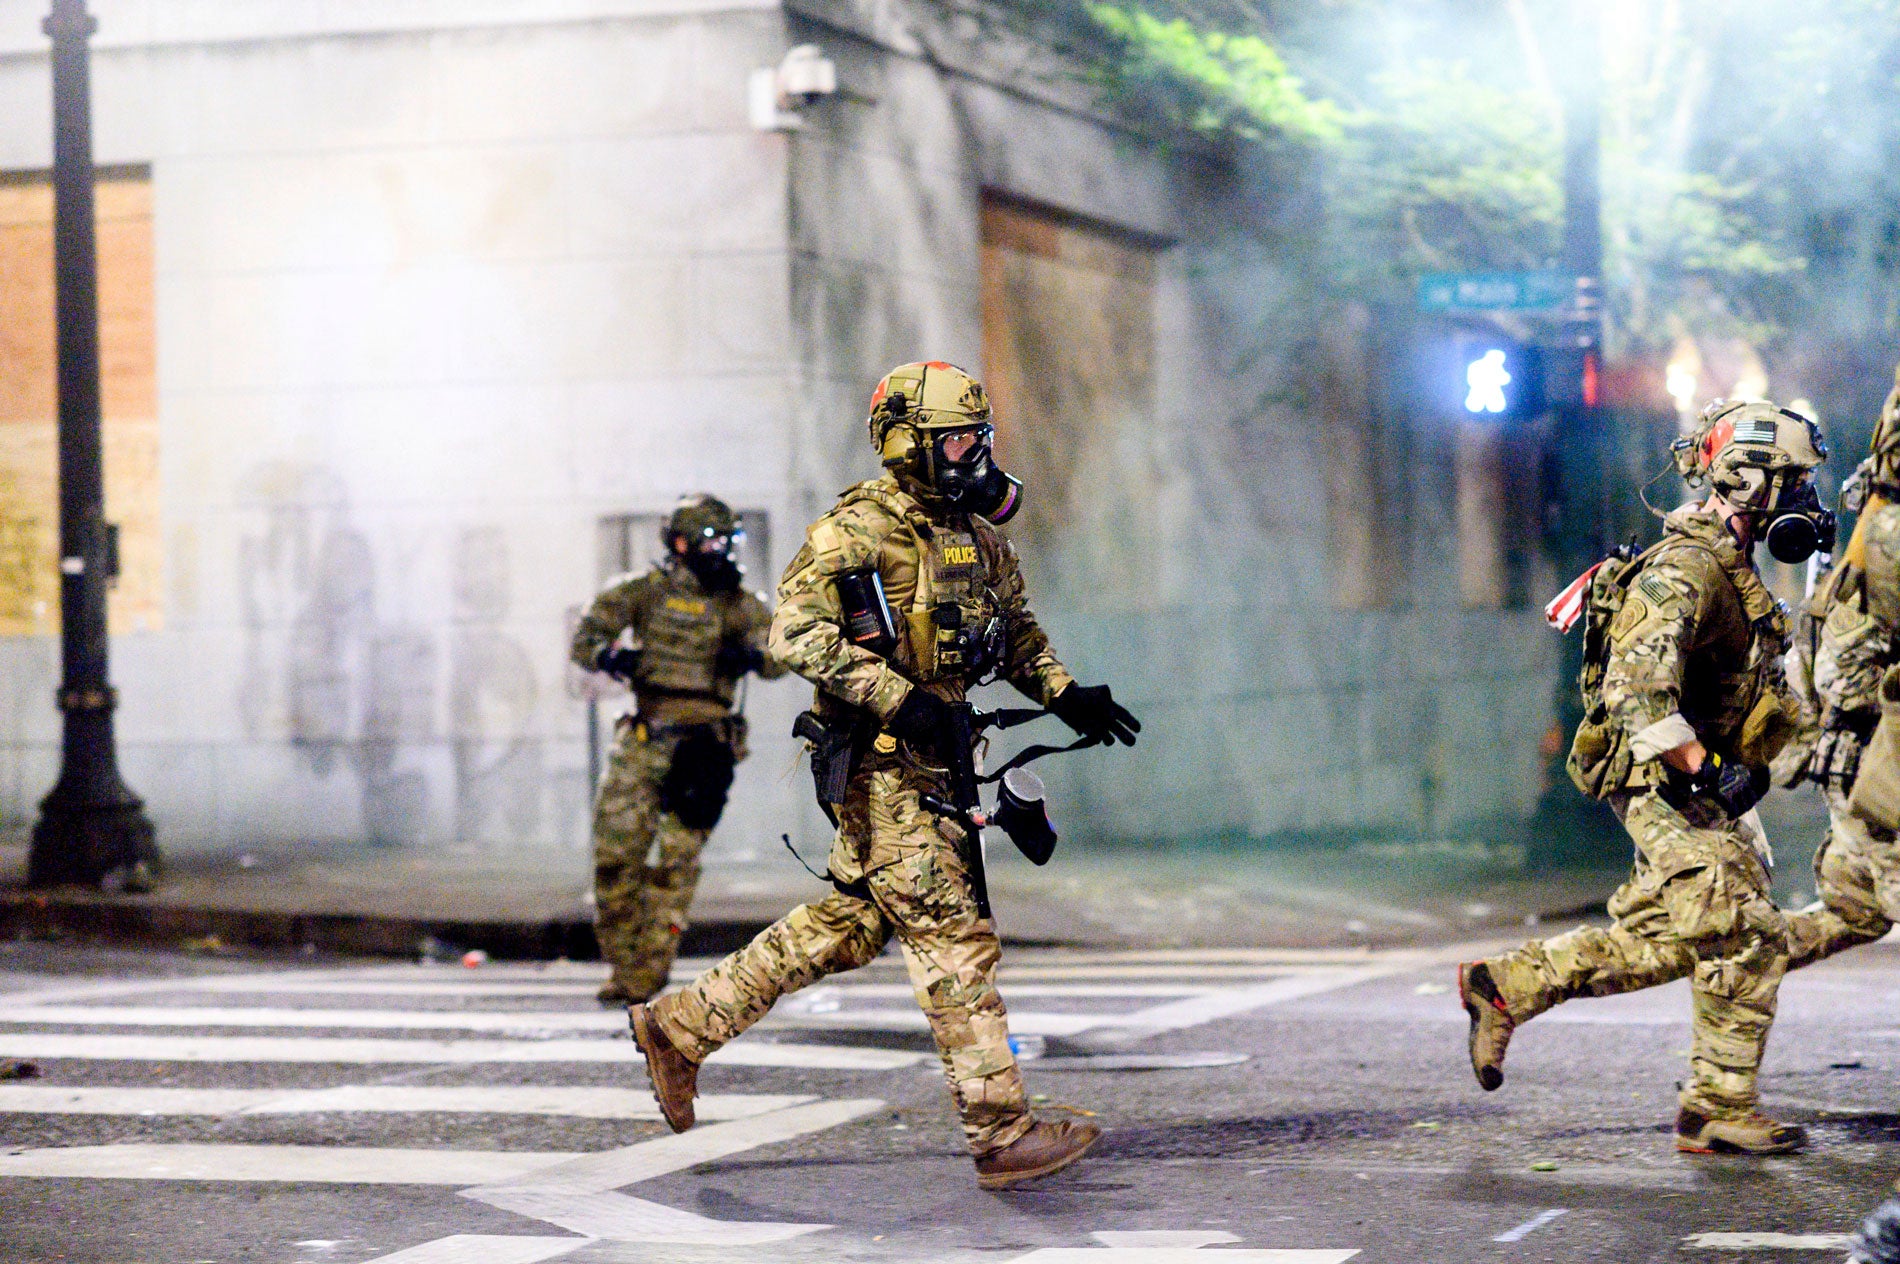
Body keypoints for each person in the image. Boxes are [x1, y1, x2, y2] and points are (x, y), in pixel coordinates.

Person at [628, 361, 1140, 1190]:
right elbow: (793, 634)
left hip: (942, 763)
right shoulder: (857, 531)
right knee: (954, 940)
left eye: (980, 438)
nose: (976, 455)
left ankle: (679, 1028)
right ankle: (1002, 1132)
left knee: (852, 924)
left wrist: (1064, 692)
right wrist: (900, 699)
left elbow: (1016, 635)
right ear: (907, 443)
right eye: (958, 440)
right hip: (884, 767)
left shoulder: (978, 537)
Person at [1461, 400, 1835, 1156]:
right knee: (1745, 936)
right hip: (1662, 778)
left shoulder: (1732, 566)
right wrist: (1706, 769)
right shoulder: (1685, 570)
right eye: (1792, 481)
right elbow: (1636, 691)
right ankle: (1716, 1108)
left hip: (1695, 781)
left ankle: (1506, 987)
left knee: (1668, 940)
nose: (1804, 499)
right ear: (1746, 480)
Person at [571, 494, 783, 1005]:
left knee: (675, 865)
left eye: (726, 541)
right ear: (680, 543)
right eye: (708, 540)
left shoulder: (739, 604)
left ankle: (647, 973)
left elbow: (781, 654)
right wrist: (612, 657)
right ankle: (626, 966)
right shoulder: (643, 591)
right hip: (643, 740)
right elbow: (585, 638)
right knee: (615, 860)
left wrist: (753, 655)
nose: (718, 551)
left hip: (704, 748)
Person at [1786, 370, 1900, 972]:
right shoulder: (1886, 534)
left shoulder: (1878, 523)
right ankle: (1726, 954)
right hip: (1872, 755)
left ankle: (1732, 956)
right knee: (1864, 902)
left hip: (1866, 750)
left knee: (1856, 909)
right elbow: (1840, 666)